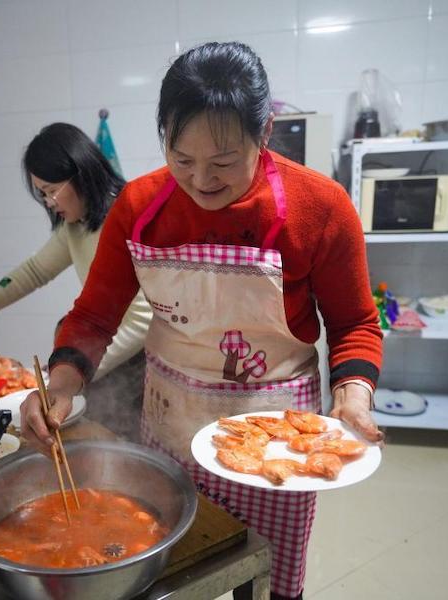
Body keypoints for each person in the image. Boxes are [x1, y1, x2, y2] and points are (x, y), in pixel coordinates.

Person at [20, 43, 384, 600]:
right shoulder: (139, 207)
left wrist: (353, 395)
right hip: (173, 419)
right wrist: (61, 384)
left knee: (267, 576)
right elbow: (95, 314)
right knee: (175, 566)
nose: (201, 181)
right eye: (181, 158)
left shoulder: (319, 208)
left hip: (274, 435)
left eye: (223, 162)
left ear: (264, 135)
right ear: (163, 133)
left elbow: (355, 321)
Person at [0, 122, 152, 441]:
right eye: (43, 193)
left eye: (52, 190)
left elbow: (143, 320)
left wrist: (75, 370)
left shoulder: (123, 216)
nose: (49, 202)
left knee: (126, 447)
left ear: (81, 174)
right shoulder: (76, 226)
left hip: (137, 366)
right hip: (99, 359)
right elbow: (37, 269)